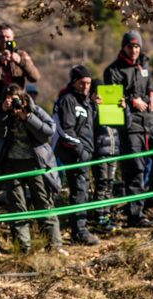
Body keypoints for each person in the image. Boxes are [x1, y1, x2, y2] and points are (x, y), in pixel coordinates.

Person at [0, 83, 64, 254]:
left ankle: (54, 245)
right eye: (9, 100)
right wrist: (2, 111)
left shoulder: (33, 109)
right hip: (11, 164)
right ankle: (23, 248)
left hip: (35, 163)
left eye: (16, 99)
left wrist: (28, 117)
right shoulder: (3, 113)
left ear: (23, 98)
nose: (14, 104)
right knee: (17, 206)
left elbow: (48, 131)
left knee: (43, 203)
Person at [104, 30, 153, 228]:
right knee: (135, 169)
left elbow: (150, 84)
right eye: (130, 46)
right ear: (123, 47)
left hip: (149, 123)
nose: (134, 50)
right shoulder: (112, 71)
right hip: (129, 125)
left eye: (136, 46)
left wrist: (152, 94)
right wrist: (131, 100)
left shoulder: (144, 65)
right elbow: (111, 99)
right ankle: (136, 215)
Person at [53, 65, 101, 246]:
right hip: (74, 155)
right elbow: (66, 130)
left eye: (88, 83)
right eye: (82, 83)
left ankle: (80, 228)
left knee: (82, 191)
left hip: (86, 153)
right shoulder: (68, 100)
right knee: (79, 191)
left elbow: (91, 127)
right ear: (74, 83)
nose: (86, 86)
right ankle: (79, 231)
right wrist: (80, 151)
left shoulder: (87, 102)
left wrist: (96, 106)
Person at [0, 24, 40, 115]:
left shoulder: (21, 55)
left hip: (18, 103)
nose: (5, 40)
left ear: (13, 37)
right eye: (1, 37)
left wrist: (20, 61)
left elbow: (35, 77)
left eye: (7, 37)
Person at [90, 78, 120, 232]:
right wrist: (95, 106)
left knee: (109, 184)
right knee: (101, 184)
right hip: (100, 151)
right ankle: (99, 218)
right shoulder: (91, 107)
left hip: (113, 151)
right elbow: (90, 125)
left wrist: (123, 108)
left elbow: (125, 123)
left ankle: (106, 216)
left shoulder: (112, 106)